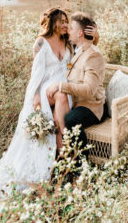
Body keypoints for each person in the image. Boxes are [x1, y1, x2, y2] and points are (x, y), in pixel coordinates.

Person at [0, 8, 97, 198]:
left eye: (67, 22)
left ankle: (61, 148)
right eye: (62, 21)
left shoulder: (67, 41)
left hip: (64, 89)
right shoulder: (41, 42)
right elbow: (36, 74)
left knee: (61, 99)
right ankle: (66, 147)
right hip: (46, 89)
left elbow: (88, 45)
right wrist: (36, 94)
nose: (65, 25)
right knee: (58, 96)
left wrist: (95, 34)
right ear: (52, 22)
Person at [46, 12, 106, 156]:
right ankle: (56, 157)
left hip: (91, 106)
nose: (67, 30)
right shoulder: (75, 49)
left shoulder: (93, 55)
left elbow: (89, 90)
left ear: (80, 33)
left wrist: (60, 86)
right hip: (75, 101)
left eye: (71, 28)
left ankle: (80, 165)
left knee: (71, 119)